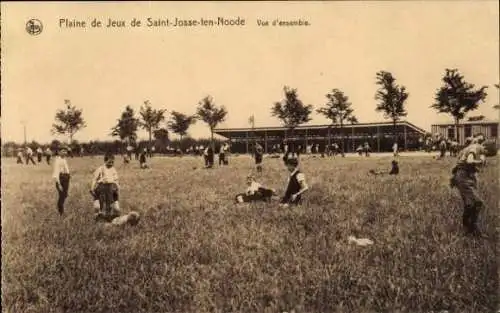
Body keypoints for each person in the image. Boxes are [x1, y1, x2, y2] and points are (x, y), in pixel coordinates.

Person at [450, 135, 487, 237]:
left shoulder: (466, 149)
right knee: (477, 202)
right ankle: (471, 227)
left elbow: (462, 164)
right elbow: (470, 161)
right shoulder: (475, 147)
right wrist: (480, 161)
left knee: (470, 203)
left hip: (462, 176)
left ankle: (468, 227)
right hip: (463, 176)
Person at [91, 153, 121, 219]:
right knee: (99, 205)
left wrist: (117, 187)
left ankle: (108, 216)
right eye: (109, 162)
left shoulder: (113, 169)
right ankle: (98, 216)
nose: (111, 164)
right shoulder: (100, 169)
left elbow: (116, 180)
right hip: (101, 187)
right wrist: (92, 188)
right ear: (105, 161)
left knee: (110, 203)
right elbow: (94, 179)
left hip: (111, 188)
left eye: (112, 162)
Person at [52, 145, 70, 215]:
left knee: (65, 195)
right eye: (63, 151)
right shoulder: (58, 160)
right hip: (61, 179)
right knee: (62, 195)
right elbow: (56, 173)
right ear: (59, 152)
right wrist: (59, 184)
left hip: (66, 178)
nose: (65, 152)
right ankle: (61, 212)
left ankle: (61, 209)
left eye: (65, 151)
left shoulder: (64, 159)